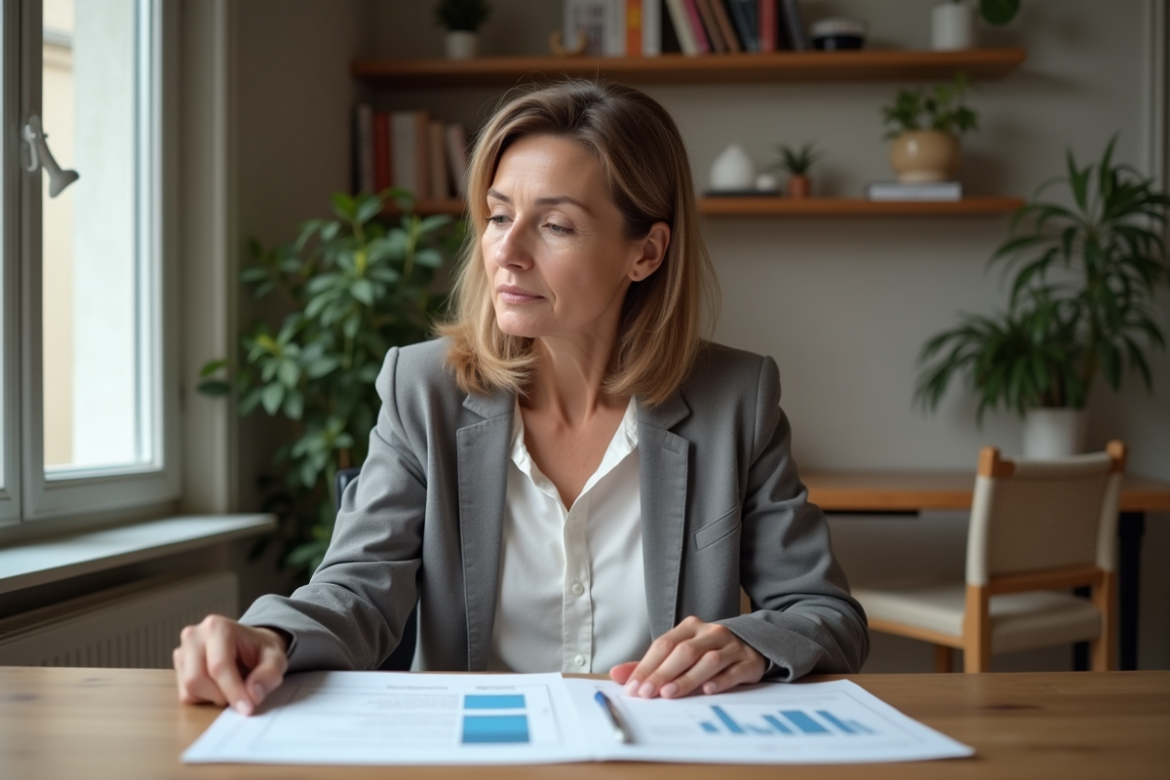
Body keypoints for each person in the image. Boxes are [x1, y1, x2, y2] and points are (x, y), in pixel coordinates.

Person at [173, 80, 868, 717]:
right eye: (499, 215)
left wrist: (747, 642)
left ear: (646, 254)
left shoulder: (734, 400)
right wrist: (267, 634)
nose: (506, 251)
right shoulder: (422, 392)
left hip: (661, 754)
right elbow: (357, 590)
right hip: (476, 750)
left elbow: (824, 613)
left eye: (555, 225)